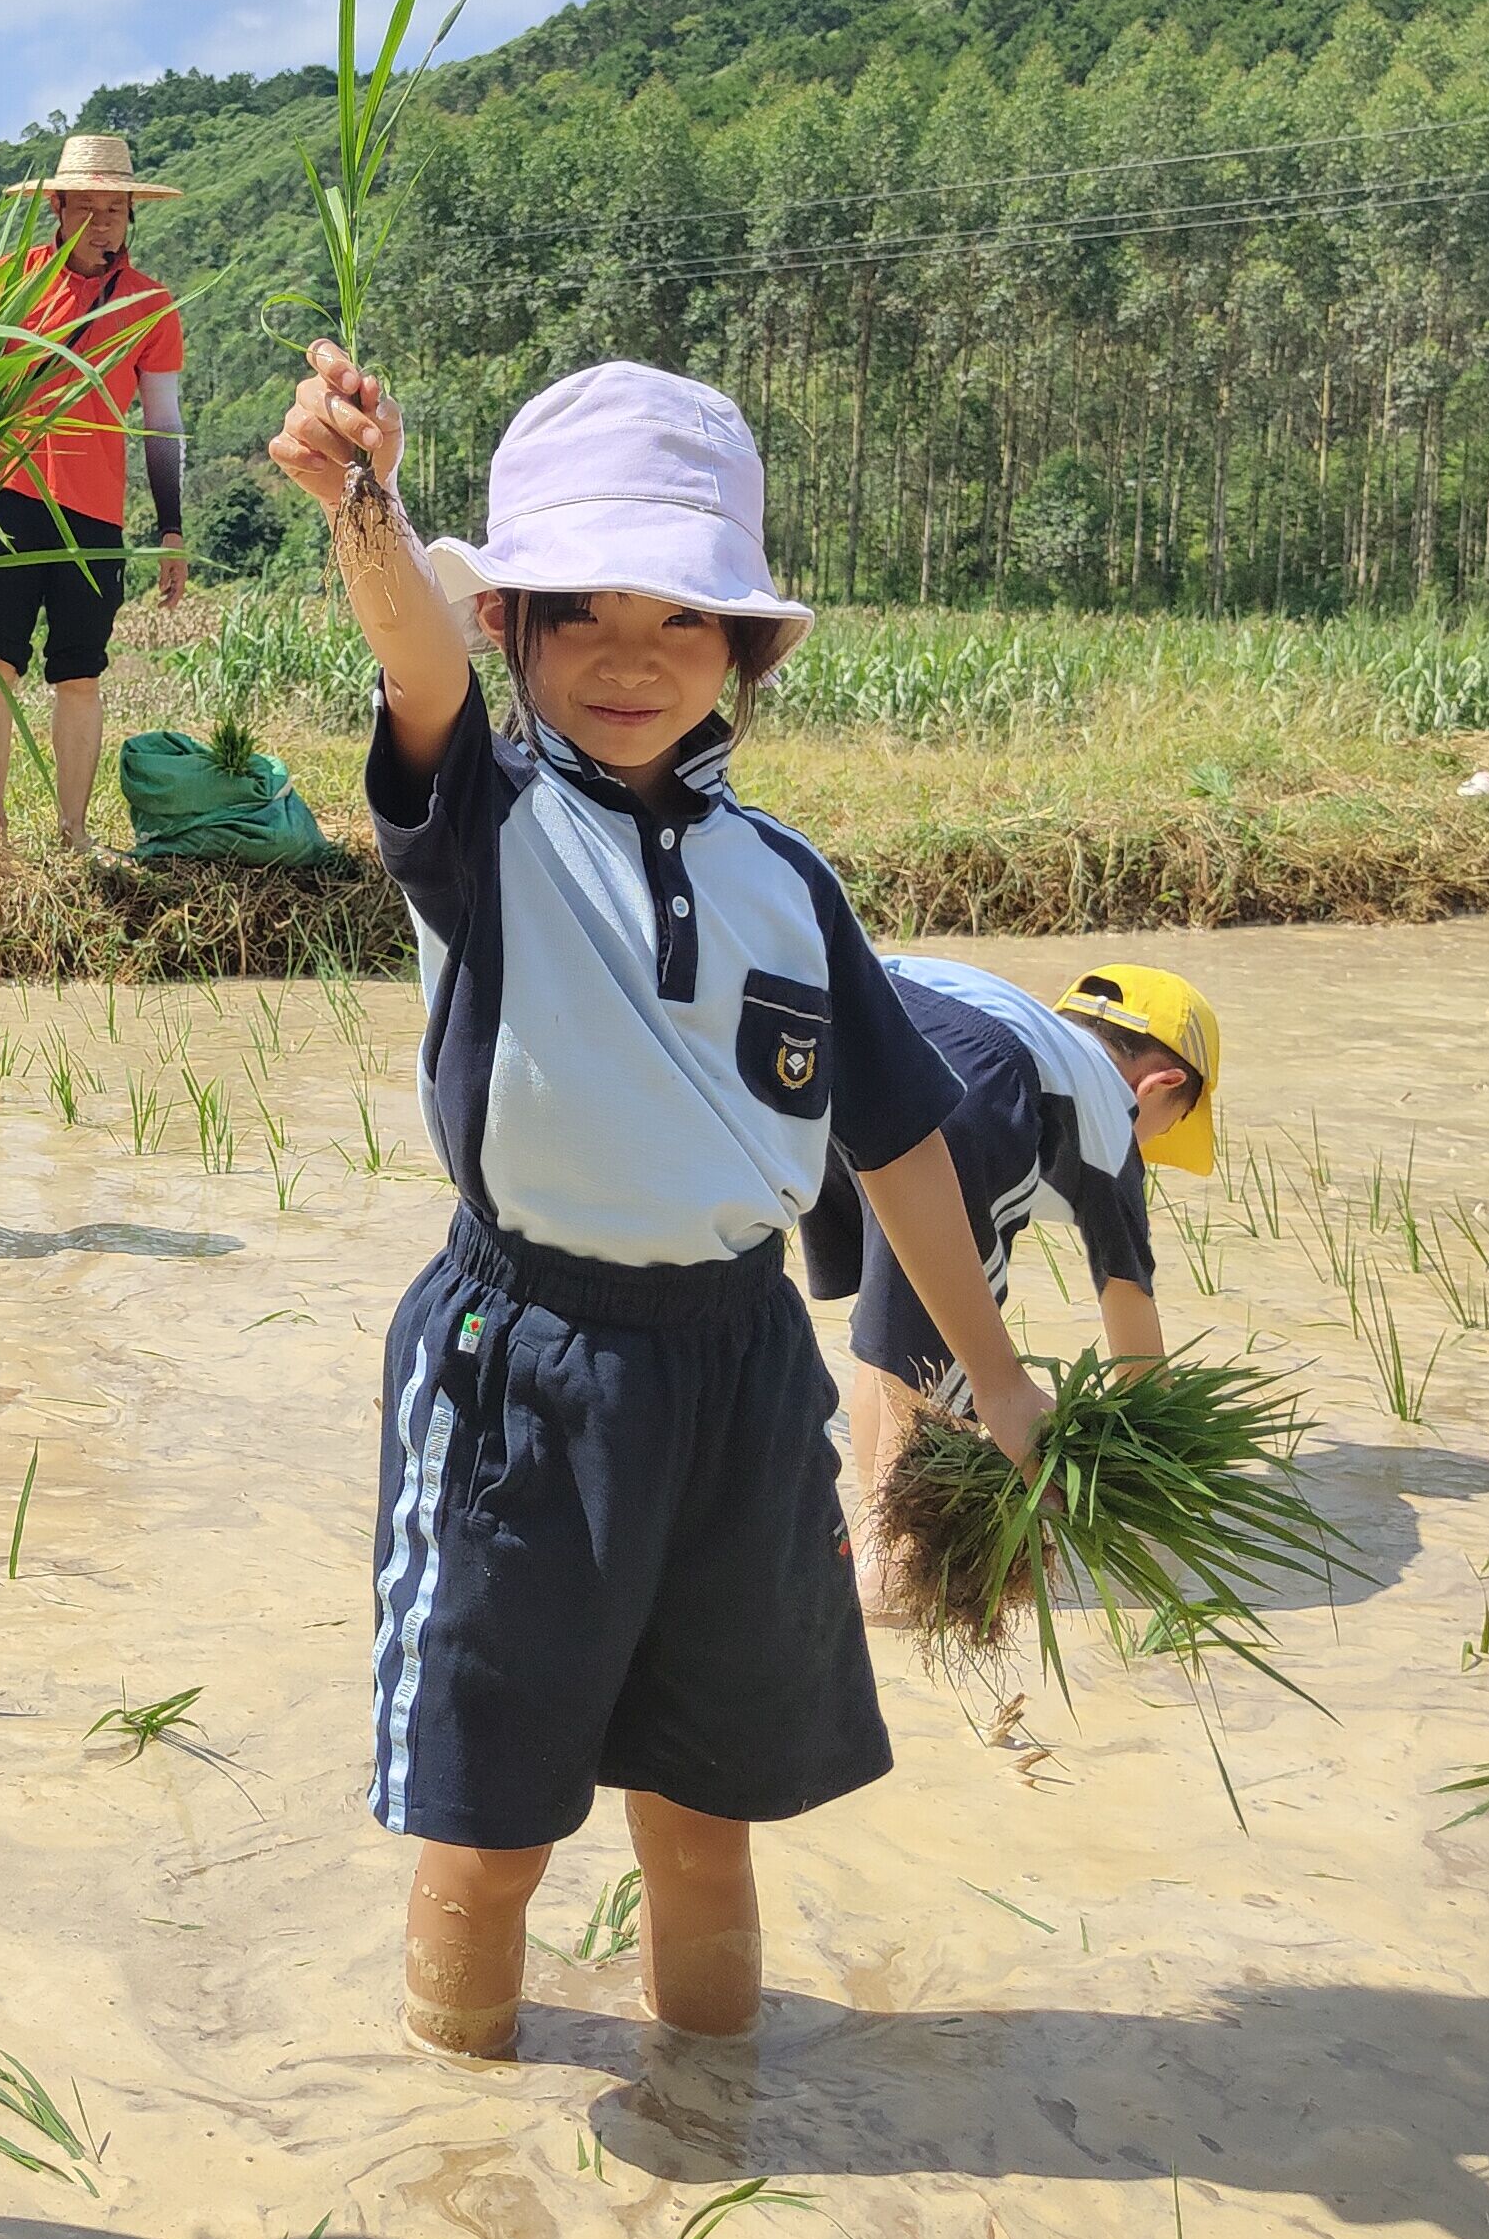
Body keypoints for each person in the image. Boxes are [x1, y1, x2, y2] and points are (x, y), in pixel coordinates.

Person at [269, 346, 1045, 2068]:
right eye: (584, 617)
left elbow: (899, 1143)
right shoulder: (486, 818)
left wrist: (993, 1380)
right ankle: (461, 2171)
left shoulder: (787, 885)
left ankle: (723, 2138)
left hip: (742, 1370)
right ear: (513, 632)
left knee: (708, 1818)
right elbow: (405, 659)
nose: (631, 661)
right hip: (522, 1368)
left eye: (683, 621)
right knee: (487, 1840)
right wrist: (369, 511)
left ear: (742, 652)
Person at [816, 955, 1219, 1607]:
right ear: (1157, 1086)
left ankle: (871, 1550)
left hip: (838, 1021)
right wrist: (1161, 1493)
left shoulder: (1020, 1016)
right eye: (1164, 1132)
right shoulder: (1102, 1110)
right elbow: (1140, 1362)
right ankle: (890, 1576)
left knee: (897, 1327)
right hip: (976, 1083)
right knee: (930, 1356)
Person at [0, 132, 188, 848]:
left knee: (80, 673)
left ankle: (73, 831)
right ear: (55, 208)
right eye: (87, 208)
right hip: (6, 499)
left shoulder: (152, 305)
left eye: (116, 211)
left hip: (94, 515)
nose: (103, 224)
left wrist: (172, 530)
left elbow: (162, 425)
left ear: (132, 216)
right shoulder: (8, 284)